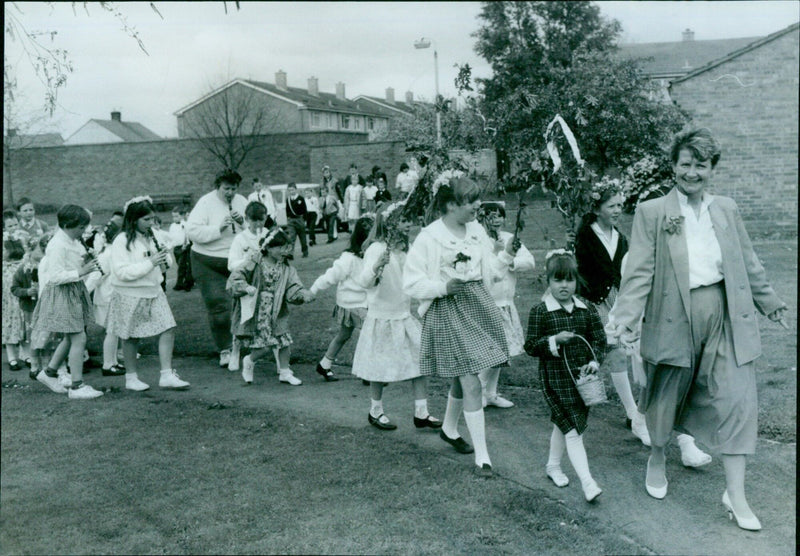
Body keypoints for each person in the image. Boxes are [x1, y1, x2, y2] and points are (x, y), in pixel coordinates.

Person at [609, 128, 788, 530]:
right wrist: (624, 319)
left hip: (724, 315)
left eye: (701, 165)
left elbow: (747, 260)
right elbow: (638, 272)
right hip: (673, 315)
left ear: (712, 170)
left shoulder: (726, 208)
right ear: (673, 166)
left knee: (738, 399)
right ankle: (657, 455)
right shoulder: (653, 212)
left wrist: (770, 302)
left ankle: (736, 495)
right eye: (685, 164)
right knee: (665, 395)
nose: (692, 172)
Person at [403, 176, 508, 477]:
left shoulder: (476, 231)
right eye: (471, 201)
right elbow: (410, 282)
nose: (478, 206)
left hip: (477, 305)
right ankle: (483, 458)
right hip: (447, 308)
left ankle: (449, 428)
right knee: (472, 380)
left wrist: (508, 255)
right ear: (450, 205)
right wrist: (442, 287)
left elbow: (490, 272)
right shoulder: (429, 237)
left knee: (463, 376)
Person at [524, 250, 605, 502]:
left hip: (582, 381)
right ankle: (588, 483)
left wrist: (594, 361)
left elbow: (600, 340)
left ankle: (553, 466)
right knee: (573, 431)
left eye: (569, 280)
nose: (564, 286)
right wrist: (553, 340)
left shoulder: (586, 309)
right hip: (555, 380)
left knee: (566, 425)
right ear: (548, 281)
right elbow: (530, 346)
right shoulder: (541, 311)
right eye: (558, 280)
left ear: (576, 281)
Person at [352, 203, 441, 430]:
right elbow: (363, 282)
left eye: (409, 219)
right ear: (390, 223)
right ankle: (376, 410)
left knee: (419, 362)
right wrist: (376, 267)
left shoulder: (407, 250)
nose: (409, 224)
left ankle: (421, 412)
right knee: (379, 368)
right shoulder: (376, 249)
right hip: (382, 318)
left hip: (403, 316)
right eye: (403, 220)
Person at [574, 181, 650, 444]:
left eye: (620, 205)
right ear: (597, 208)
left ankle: (635, 412)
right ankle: (632, 412)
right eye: (612, 206)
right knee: (615, 352)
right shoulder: (585, 235)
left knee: (627, 352)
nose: (618, 210)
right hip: (596, 302)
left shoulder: (621, 237)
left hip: (620, 301)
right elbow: (583, 272)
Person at [106, 196, 189, 392]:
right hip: (129, 294)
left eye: (152, 219)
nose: (151, 223)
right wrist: (150, 262)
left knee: (168, 328)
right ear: (134, 219)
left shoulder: (154, 235)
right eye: (147, 220)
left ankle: (167, 375)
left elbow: (167, 263)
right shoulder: (121, 240)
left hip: (154, 290)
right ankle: (131, 377)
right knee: (130, 336)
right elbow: (122, 273)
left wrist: (164, 259)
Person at [29, 204, 103, 399]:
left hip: (72, 291)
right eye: (81, 228)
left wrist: (85, 260)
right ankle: (77, 387)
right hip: (62, 293)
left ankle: (49, 373)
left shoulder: (72, 240)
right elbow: (55, 276)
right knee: (79, 338)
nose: (83, 232)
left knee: (70, 338)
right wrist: (82, 271)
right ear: (70, 225)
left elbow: (73, 263)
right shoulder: (57, 245)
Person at [228, 228, 314, 386]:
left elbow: (293, 288)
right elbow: (236, 277)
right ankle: (249, 360)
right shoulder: (255, 261)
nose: (284, 251)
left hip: (276, 310)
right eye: (280, 248)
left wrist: (302, 295)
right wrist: (246, 287)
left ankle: (285, 372)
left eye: (286, 247)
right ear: (268, 247)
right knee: (265, 346)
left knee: (284, 342)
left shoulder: (287, 269)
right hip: (257, 311)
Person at [186, 168, 248, 368]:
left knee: (246, 305)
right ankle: (225, 349)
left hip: (236, 261)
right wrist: (218, 228)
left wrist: (243, 223)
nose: (230, 193)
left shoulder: (242, 201)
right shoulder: (205, 203)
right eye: (226, 189)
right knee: (219, 308)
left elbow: (257, 227)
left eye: (233, 188)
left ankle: (244, 344)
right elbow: (192, 232)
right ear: (218, 187)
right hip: (208, 261)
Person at [477, 201, 536, 408]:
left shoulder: (510, 238)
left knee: (503, 351)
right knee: (492, 350)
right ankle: (479, 391)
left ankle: (490, 393)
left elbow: (529, 261)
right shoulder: (479, 240)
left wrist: (511, 259)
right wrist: (496, 252)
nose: (496, 220)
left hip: (506, 303)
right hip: (487, 302)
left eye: (500, 216)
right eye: (491, 216)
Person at [309, 215, 373, 382]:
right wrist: (314, 289)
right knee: (369, 336)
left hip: (359, 303)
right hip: (353, 304)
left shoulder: (370, 256)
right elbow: (331, 275)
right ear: (362, 239)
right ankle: (366, 371)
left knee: (344, 335)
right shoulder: (349, 258)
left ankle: (324, 364)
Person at [226, 201, 269, 372]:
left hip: (263, 283)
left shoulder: (267, 234)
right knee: (241, 318)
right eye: (255, 220)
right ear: (247, 219)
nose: (258, 224)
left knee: (264, 319)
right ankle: (235, 351)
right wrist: (247, 259)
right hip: (246, 283)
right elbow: (231, 264)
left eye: (262, 220)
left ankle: (260, 353)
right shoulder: (240, 238)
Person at [3, 232, 28, 371]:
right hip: (7, 305)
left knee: (24, 328)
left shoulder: (22, 265)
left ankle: (26, 354)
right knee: (9, 328)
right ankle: (12, 357)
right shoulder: (4, 267)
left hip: (21, 302)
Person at [169, 205, 195, 292]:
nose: (174, 218)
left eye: (176, 216)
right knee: (179, 264)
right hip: (176, 248)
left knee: (183, 265)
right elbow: (171, 237)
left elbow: (186, 236)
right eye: (173, 216)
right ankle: (182, 282)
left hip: (184, 247)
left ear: (182, 216)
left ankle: (186, 283)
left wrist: (185, 245)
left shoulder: (185, 224)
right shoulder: (172, 225)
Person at [283, 182, 309, 258]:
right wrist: (288, 219)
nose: (291, 192)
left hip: (299, 219)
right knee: (291, 237)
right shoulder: (288, 199)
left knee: (302, 237)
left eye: (293, 190)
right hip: (291, 221)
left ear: (296, 189)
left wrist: (305, 220)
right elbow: (287, 210)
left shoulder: (301, 198)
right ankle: (290, 253)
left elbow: (305, 210)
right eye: (290, 190)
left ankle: (305, 251)